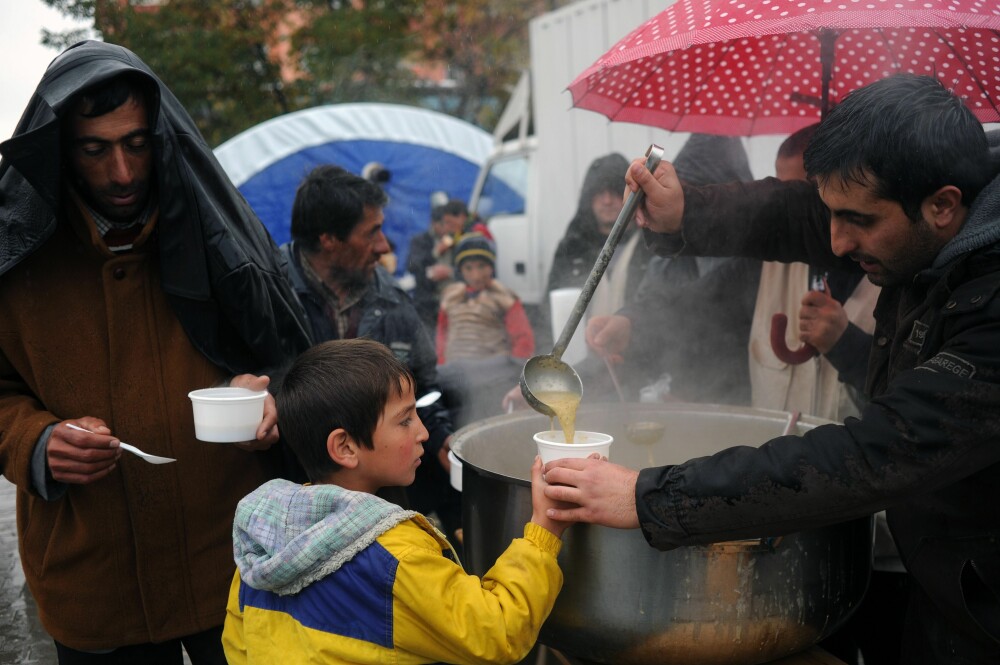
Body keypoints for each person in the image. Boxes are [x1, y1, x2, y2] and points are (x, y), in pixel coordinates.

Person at [543, 74, 1000, 663]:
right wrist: (686, 212)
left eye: (857, 221)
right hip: (947, 589)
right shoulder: (934, 217)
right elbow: (797, 215)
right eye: (830, 214)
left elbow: (879, 451)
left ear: (943, 205)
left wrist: (650, 495)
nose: (835, 243)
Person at [0, 41, 313, 663]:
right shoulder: (15, 259)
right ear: (60, 148)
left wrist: (275, 403)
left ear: (161, 139)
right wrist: (35, 441)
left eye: (136, 144)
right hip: (93, 585)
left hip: (229, 570)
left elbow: (297, 358)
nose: (121, 172)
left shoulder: (221, 242)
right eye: (95, 150)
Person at [222, 338, 568, 664]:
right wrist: (543, 530)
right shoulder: (397, 558)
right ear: (345, 447)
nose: (423, 433)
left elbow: (238, 646)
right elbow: (496, 630)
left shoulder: (261, 544)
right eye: (404, 421)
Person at [279, 165, 462, 540]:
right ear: (329, 238)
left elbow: (424, 385)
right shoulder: (266, 292)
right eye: (372, 232)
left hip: (375, 506)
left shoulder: (391, 299)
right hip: (291, 501)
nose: (384, 246)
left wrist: (442, 434)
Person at [583, 135, 761, 405]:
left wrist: (634, 325)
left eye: (705, 198)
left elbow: (699, 310)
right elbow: (653, 310)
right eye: (689, 196)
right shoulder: (672, 254)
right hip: (681, 399)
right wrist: (625, 325)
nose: (690, 211)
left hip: (741, 405)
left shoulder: (754, 261)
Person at [750, 123, 879, 420]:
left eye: (800, 197)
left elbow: (907, 396)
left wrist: (846, 344)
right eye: (783, 196)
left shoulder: (899, 274)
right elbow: (702, 302)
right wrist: (630, 321)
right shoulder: (765, 261)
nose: (789, 211)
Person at [435, 232, 534, 427]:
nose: (476, 274)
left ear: (491, 267)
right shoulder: (451, 297)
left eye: (482, 266)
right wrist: (442, 367)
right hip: (456, 374)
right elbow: (442, 336)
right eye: (469, 268)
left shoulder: (503, 296)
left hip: (493, 374)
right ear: (460, 270)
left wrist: (517, 371)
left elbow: (523, 339)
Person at [406, 199, 471, 336]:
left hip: (455, 301)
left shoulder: (459, 239)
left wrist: (450, 272)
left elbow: (470, 271)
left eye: (450, 224)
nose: (447, 228)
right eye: (444, 224)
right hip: (427, 304)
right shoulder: (421, 240)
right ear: (434, 224)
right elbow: (412, 266)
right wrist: (434, 253)